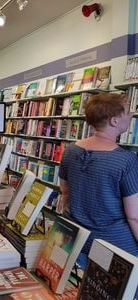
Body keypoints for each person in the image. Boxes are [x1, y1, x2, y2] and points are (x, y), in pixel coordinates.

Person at [58, 93, 138, 266]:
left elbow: (65, 193)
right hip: (112, 243)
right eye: (127, 111)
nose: (131, 115)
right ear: (114, 121)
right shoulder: (126, 160)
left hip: (75, 235)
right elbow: (134, 216)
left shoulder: (70, 150)